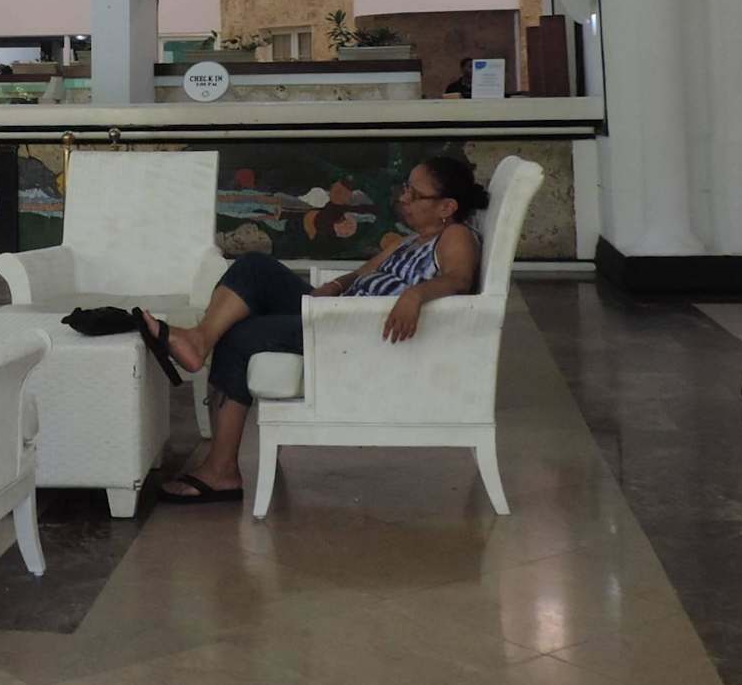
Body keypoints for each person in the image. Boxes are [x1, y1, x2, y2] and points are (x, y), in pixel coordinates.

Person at [138, 155, 490, 504]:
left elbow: (458, 278)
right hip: (337, 312)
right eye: (405, 188)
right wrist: (334, 287)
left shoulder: (455, 236)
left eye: (415, 194)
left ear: (447, 207)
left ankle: (221, 471)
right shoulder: (410, 240)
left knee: (240, 335)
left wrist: (416, 295)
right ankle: (199, 339)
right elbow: (361, 274)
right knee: (254, 266)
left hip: (356, 334)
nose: (403, 198)